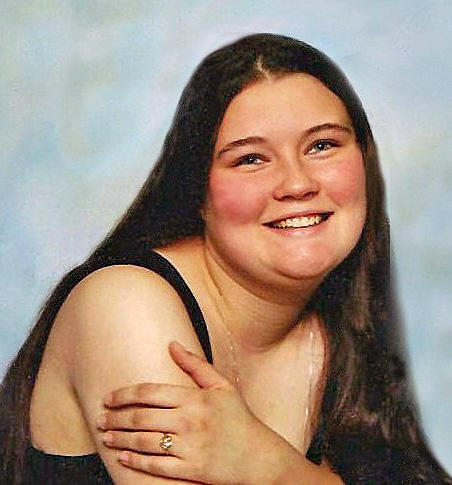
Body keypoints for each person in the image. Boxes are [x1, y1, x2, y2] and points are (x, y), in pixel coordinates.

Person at [0, 33, 450, 484]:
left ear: (365, 161)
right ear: (197, 191)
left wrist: (267, 462)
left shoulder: (346, 327)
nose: (297, 184)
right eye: (251, 159)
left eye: (322, 146)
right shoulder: (122, 303)